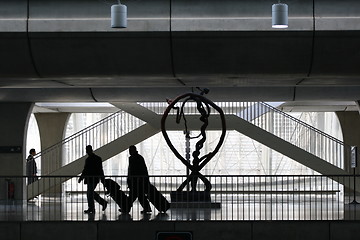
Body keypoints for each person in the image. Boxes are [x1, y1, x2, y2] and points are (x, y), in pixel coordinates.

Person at [78, 145, 108, 214]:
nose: (87, 151)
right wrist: (102, 179)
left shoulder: (89, 159)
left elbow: (86, 170)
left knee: (90, 193)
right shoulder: (96, 158)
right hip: (93, 179)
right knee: (90, 193)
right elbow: (99, 170)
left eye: (87, 150)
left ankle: (93, 207)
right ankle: (100, 204)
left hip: (91, 179)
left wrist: (81, 177)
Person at [127, 145, 151, 214]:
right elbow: (144, 170)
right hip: (139, 180)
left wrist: (130, 180)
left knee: (133, 196)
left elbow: (132, 170)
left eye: (130, 150)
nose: (130, 152)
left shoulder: (133, 158)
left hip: (136, 181)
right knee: (139, 195)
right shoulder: (139, 158)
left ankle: (126, 208)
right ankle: (147, 208)